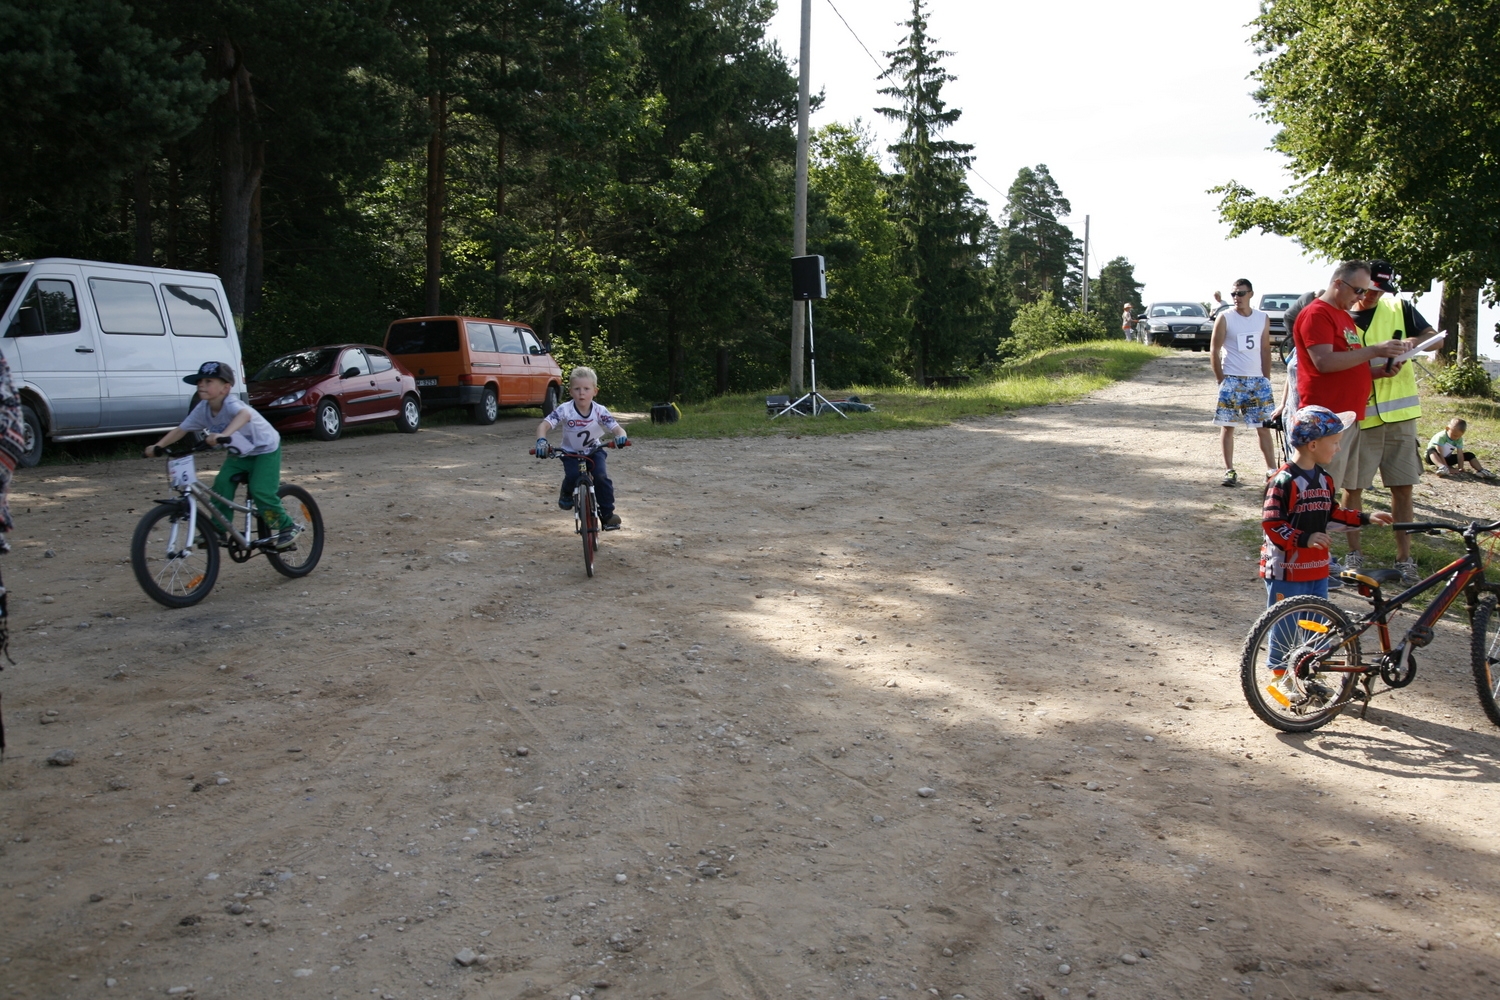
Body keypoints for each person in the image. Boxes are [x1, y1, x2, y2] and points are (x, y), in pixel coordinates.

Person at [1339, 261, 1430, 583]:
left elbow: (1434, 337)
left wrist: (1411, 345)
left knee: (1403, 489)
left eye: (1381, 290)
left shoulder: (1399, 306)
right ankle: (1354, 553)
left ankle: (1405, 558)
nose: (1375, 296)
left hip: (1400, 417)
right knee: (1353, 487)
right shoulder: (1341, 312)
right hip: (1361, 417)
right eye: (1371, 289)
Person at [144, 361, 296, 549]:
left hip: (265, 449)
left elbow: (244, 415)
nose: (201, 384)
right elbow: (181, 429)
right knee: (221, 486)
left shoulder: (231, 404)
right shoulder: (203, 408)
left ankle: (286, 526)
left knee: (261, 491)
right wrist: (158, 446)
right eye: (200, 381)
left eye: (208, 381)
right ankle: (218, 531)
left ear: (225, 388)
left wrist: (225, 435)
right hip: (239, 453)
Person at [1292, 260, 1407, 495]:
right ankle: (1311, 532)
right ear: (1337, 283)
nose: (1362, 296)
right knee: (1319, 492)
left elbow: (1347, 362)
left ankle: (1334, 531)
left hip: (1348, 416)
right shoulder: (1317, 313)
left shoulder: (1343, 315)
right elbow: (1323, 362)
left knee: (1340, 490)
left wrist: (1374, 373)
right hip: (1326, 418)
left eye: (1365, 290)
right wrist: (1375, 350)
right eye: (1358, 290)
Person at [1261, 406, 1393, 605]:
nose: (1338, 448)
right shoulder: (1283, 480)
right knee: (1283, 630)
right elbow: (1272, 524)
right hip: (1286, 572)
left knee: (1317, 630)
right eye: (1335, 443)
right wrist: (1305, 539)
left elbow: (1331, 515)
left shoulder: (1325, 479)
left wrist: (1366, 518)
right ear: (1313, 445)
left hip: (1318, 569)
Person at [534, 366, 629, 529]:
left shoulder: (600, 411)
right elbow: (544, 425)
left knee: (600, 476)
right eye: (577, 389)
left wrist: (621, 436)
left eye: (586, 389)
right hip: (570, 453)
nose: (581, 393)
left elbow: (617, 428)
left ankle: (607, 515)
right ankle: (566, 492)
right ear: (570, 391)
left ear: (595, 391)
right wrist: (541, 441)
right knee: (572, 475)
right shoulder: (565, 409)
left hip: (594, 451)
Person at [1210, 277, 1277, 486]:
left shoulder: (1262, 317)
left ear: (1251, 294)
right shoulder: (1225, 317)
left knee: (1263, 426)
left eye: (1240, 293)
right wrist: (1221, 379)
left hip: (1257, 381)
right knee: (1228, 425)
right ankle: (1229, 469)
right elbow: (1215, 349)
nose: (1236, 298)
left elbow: (1265, 348)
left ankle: (1272, 470)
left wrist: (1266, 377)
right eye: (1233, 294)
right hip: (1232, 379)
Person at [1426, 417, 1497, 478]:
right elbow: (1440, 452)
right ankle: (1442, 467)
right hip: (1434, 458)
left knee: (1469, 455)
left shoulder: (1459, 439)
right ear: (1447, 429)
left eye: (1458, 436)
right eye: (1454, 435)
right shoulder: (1441, 436)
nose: (1456, 438)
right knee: (1431, 450)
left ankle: (1481, 470)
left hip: (1446, 458)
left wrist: (1460, 468)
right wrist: (1446, 467)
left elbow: (1460, 454)